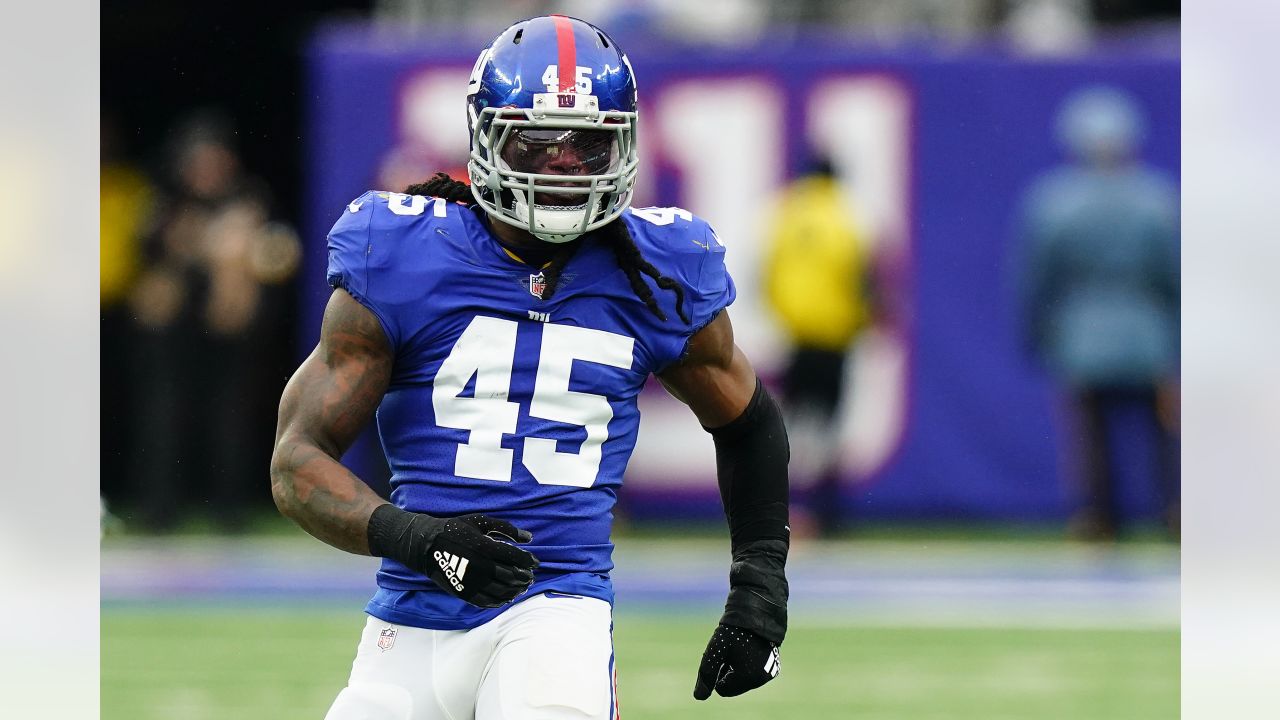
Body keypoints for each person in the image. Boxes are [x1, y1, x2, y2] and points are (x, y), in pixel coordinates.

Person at [271, 15, 790, 720]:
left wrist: (758, 587)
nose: (565, 164)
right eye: (538, 141)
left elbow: (750, 423)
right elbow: (296, 462)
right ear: (486, 136)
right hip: (407, 624)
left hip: (554, 616)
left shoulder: (659, 270)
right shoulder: (399, 251)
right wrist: (422, 540)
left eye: (589, 143)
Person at [1015, 85, 1180, 542]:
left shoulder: (1054, 202)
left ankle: (1097, 516)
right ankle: (1173, 509)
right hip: (1147, 330)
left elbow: (1038, 279)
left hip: (1082, 332)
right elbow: (1173, 276)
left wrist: (1037, 333)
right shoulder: (1157, 199)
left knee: (1091, 434)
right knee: (1160, 432)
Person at [763, 156, 875, 537]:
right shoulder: (843, 217)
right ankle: (826, 515)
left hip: (797, 336)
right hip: (834, 338)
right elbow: (861, 273)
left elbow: (766, 271)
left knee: (786, 428)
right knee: (828, 431)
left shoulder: (787, 213)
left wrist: (788, 311)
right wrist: (862, 317)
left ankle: (775, 510)